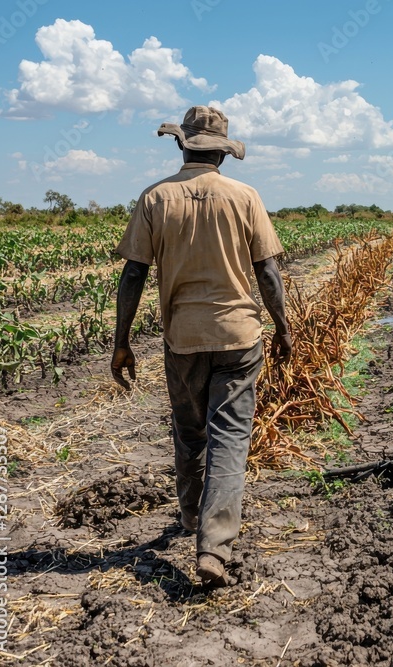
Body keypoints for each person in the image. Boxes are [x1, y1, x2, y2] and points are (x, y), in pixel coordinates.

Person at [111, 106, 292, 587]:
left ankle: (191, 516)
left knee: (190, 432)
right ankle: (212, 546)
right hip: (239, 337)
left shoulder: (156, 198)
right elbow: (268, 273)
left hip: (183, 338)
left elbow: (133, 273)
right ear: (223, 154)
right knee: (230, 438)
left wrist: (122, 342)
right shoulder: (244, 196)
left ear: (182, 145)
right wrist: (284, 328)